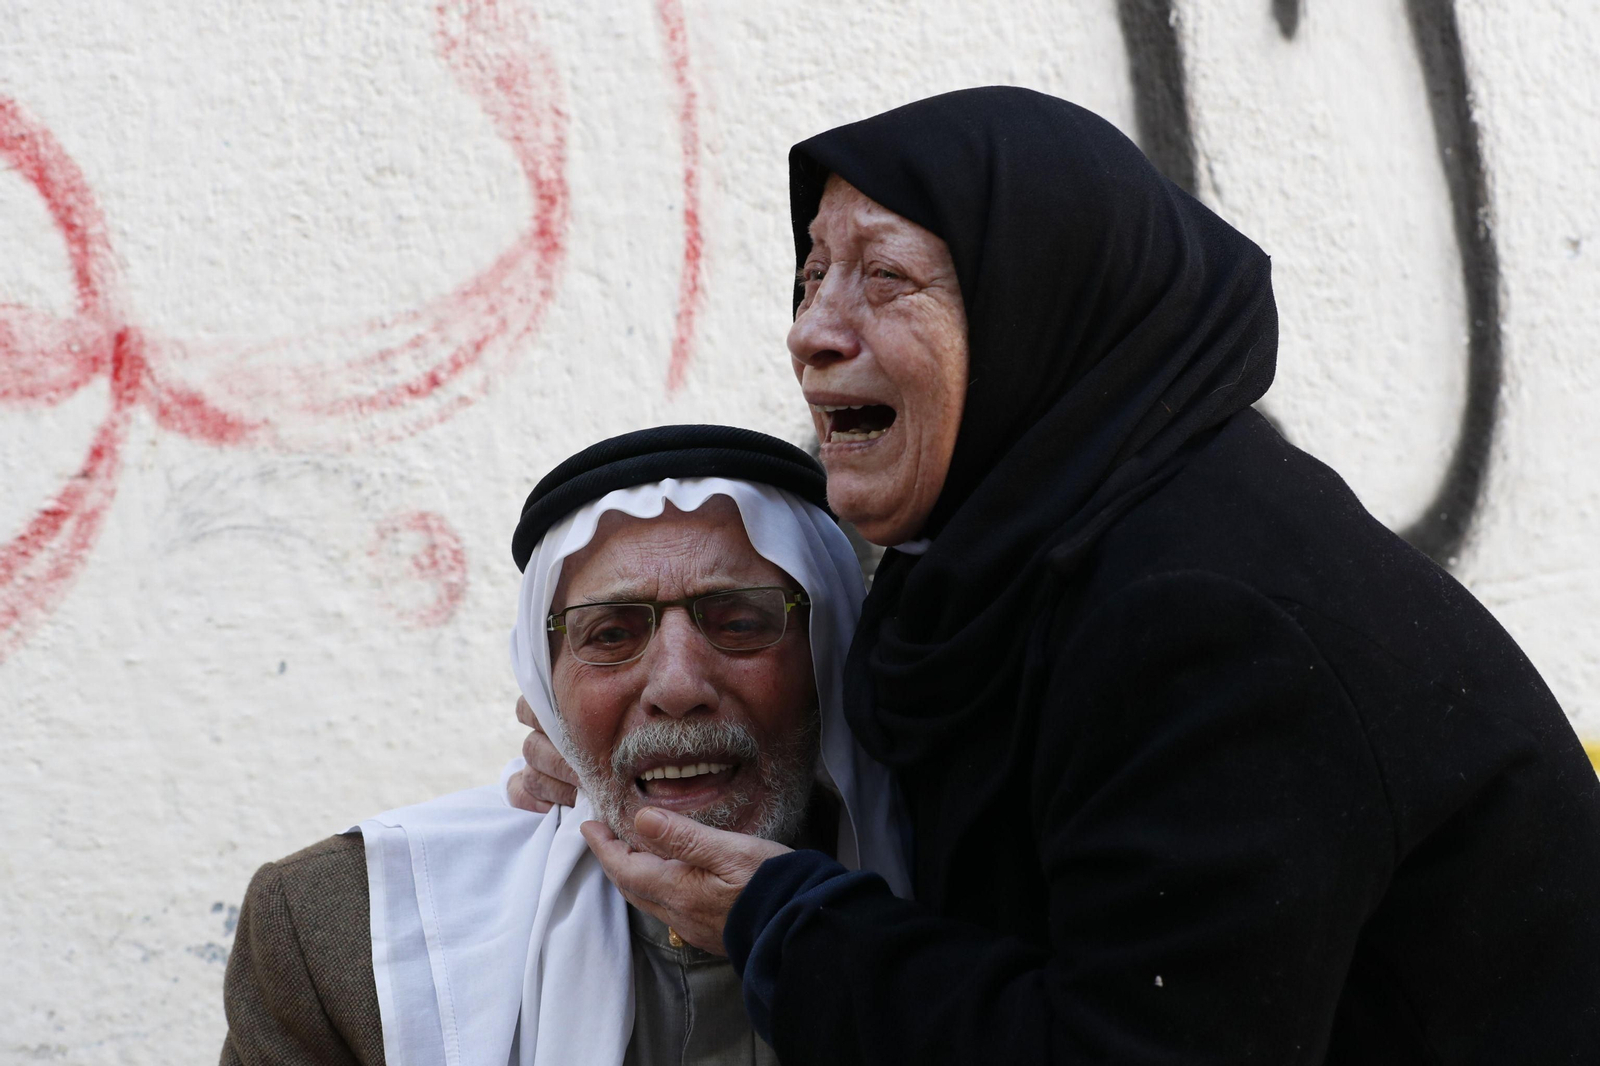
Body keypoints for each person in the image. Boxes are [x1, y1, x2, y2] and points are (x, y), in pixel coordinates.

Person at [516, 87, 1600, 1063]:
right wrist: (640, 747)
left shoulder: (1207, 620)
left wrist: (783, 920)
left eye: (883, 276)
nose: (810, 333)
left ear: (1038, 304)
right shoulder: (1021, 563)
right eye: (810, 278)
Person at [219, 425, 910, 1066]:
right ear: (545, 689)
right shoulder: (346, 934)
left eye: (739, 623)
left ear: (826, 656)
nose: (677, 686)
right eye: (610, 635)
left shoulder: (949, 902)